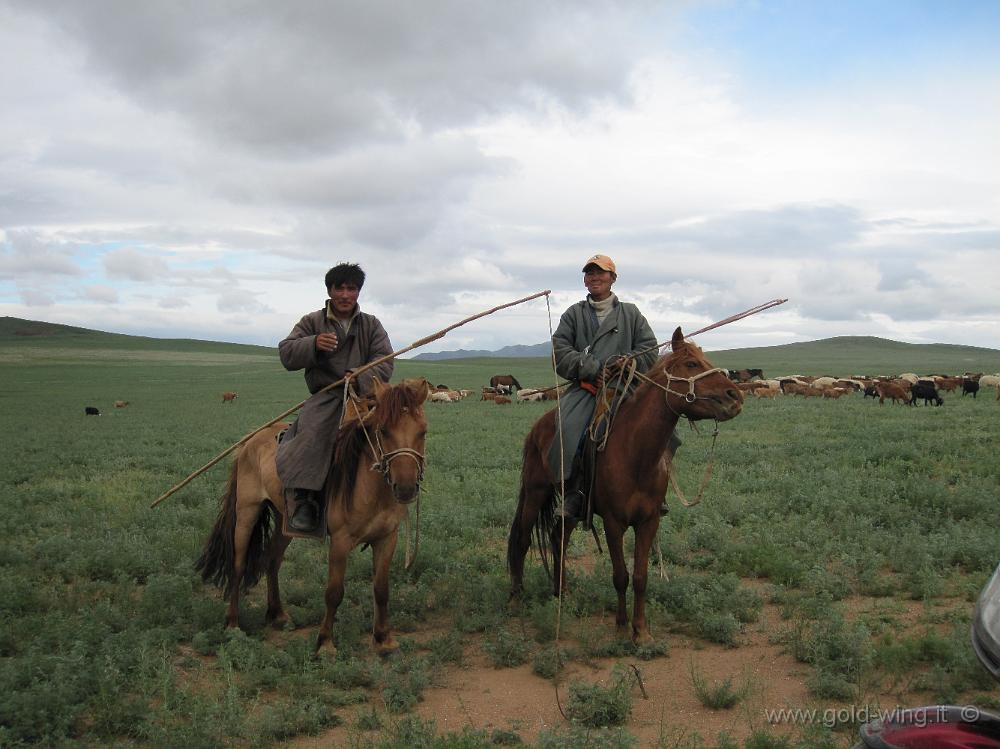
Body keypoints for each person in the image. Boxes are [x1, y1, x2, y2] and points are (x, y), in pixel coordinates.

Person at [276, 263, 394, 533]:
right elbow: (286, 353)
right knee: (313, 433)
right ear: (329, 290)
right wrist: (313, 344)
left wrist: (361, 374)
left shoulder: (372, 325)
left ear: (358, 292)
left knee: (396, 433)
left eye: (351, 288)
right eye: (338, 288)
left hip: (364, 398)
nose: (344, 294)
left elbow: (385, 361)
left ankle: (395, 493)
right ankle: (306, 501)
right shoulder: (312, 322)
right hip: (327, 396)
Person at [549, 254, 663, 523]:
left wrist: (630, 361)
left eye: (601, 273)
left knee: (662, 429)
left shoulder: (631, 313)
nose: (594, 277)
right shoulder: (573, 314)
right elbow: (560, 351)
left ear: (613, 278)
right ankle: (574, 491)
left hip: (626, 386)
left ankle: (656, 489)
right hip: (588, 388)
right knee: (568, 427)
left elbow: (649, 349)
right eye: (589, 273)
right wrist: (591, 368)